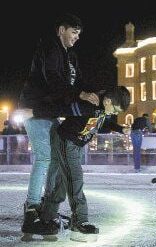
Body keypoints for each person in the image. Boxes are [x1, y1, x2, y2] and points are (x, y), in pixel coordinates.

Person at [19, 13, 100, 238]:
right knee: (45, 157)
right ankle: (31, 209)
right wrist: (80, 94)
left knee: (55, 159)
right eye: (74, 32)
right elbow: (53, 80)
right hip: (34, 109)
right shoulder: (50, 48)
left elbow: (79, 82)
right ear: (62, 29)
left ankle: (47, 208)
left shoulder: (70, 57)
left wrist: (95, 94)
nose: (76, 37)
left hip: (50, 113)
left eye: (79, 34)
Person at [39, 86, 130, 241]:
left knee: (63, 183)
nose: (115, 114)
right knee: (75, 179)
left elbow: (103, 122)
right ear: (108, 101)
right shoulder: (90, 104)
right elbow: (65, 104)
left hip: (75, 145)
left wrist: (119, 128)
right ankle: (80, 221)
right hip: (66, 141)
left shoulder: (102, 108)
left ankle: (47, 215)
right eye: (115, 110)